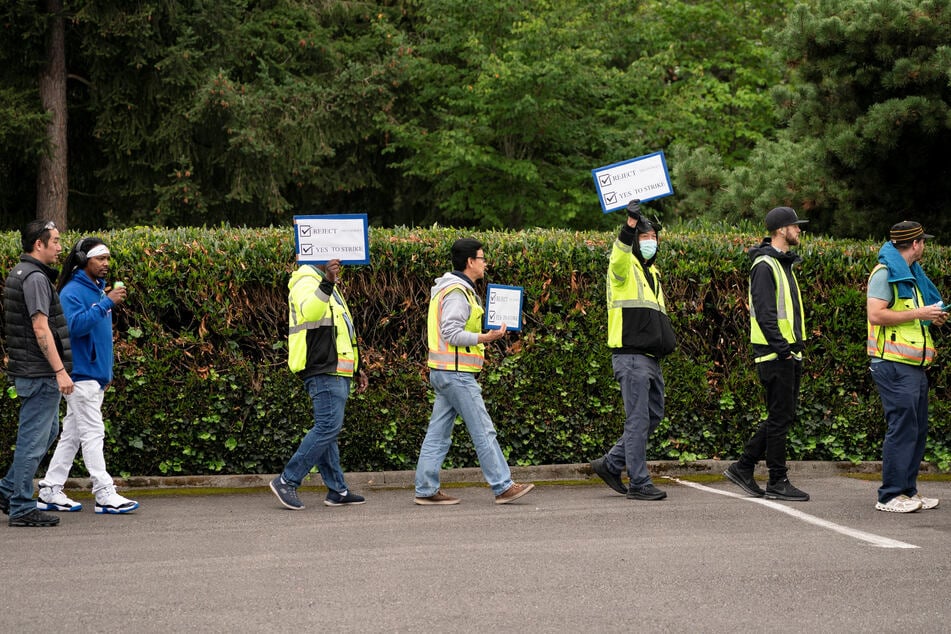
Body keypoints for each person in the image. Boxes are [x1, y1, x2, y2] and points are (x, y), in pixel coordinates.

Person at [414, 238, 535, 505]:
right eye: (482, 258)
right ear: (470, 262)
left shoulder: (452, 289)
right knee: (483, 430)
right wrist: (485, 338)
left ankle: (425, 489)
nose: (485, 263)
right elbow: (451, 333)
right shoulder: (458, 292)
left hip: (444, 371)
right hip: (456, 374)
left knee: (438, 433)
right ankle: (503, 486)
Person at [35, 237, 139, 514]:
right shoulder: (72, 292)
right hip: (81, 375)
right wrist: (105, 303)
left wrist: (103, 301)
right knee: (93, 432)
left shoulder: (95, 291)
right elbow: (72, 328)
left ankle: (49, 490)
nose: (106, 264)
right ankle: (104, 492)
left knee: (72, 435)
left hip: (93, 375)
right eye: (99, 258)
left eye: (107, 258)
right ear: (83, 261)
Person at [590, 200, 676, 501]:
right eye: (644, 237)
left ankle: (611, 464)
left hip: (650, 359)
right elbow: (618, 255)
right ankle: (639, 482)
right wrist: (629, 224)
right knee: (638, 420)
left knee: (653, 415)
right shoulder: (624, 268)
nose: (650, 242)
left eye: (653, 237)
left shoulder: (652, 274)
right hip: (631, 356)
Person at [723, 206, 810, 501]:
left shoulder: (782, 264)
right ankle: (776, 481)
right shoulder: (764, 265)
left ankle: (743, 467)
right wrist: (784, 350)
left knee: (780, 417)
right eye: (795, 226)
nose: (799, 230)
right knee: (779, 418)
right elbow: (764, 313)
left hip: (786, 353)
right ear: (781, 230)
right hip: (776, 355)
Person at [270, 258, 368, 510]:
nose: (337, 261)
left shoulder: (327, 284)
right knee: (327, 427)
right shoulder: (306, 280)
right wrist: (327, 283)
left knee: (328, 430)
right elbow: (311, 312)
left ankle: (337, 490)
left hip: (335, 368)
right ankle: (286, 480)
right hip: (321, 366)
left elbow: (344, 331)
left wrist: (358, 369)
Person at [866, 221, 945, 513]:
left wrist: (929, 317)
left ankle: (908, 492)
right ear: (915, 244)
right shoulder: (885, 273)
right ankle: (889, 496)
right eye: (923, 241)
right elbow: (876, 315)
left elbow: (909, 316)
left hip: (912, 365)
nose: (925, 246)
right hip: (893, 364)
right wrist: (920, 312)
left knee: (917, 429)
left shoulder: (909, 275)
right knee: (902, 428)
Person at [0, 220, 73, 527]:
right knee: (32, 440)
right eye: (54, 241)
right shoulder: (34, 278)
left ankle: (7, 489)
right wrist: (59, 371)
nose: (59, 246)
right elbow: (41, 326)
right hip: (40, 373)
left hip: (32, 370)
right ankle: (21, 506)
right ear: (38, 245)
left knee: (49, 432)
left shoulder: (21, 272)